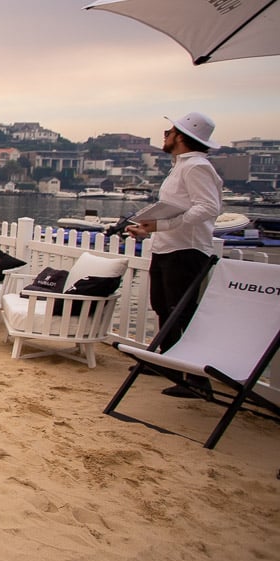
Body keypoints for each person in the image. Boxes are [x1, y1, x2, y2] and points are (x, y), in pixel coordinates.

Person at [126, 112, 222, 399]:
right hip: (167, 247)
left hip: (187, 250)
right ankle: (166, 364)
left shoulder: (197, 167)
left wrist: (163, 225)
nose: (164, 135)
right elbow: (178, 208)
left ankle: (195, 379)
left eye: (169, 132)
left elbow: (208, 208)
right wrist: (150, 229)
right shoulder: (180, 166)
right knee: (163, 307)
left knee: (183, 312)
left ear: (180, 136)